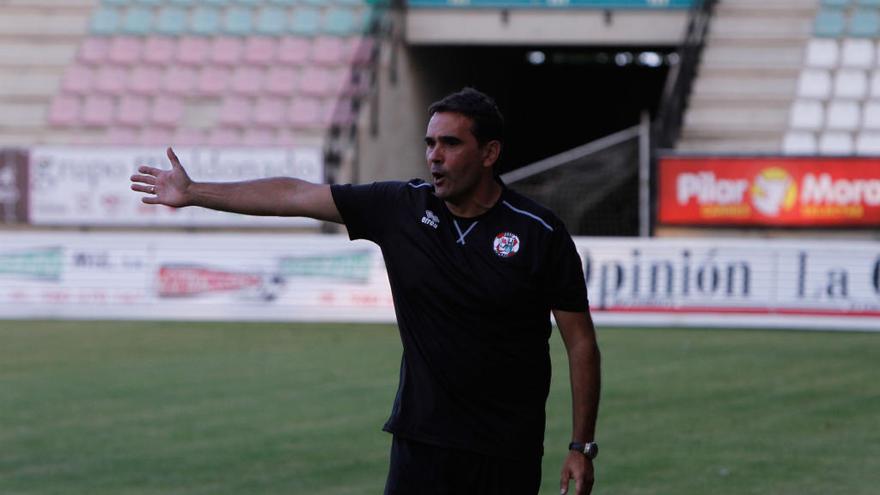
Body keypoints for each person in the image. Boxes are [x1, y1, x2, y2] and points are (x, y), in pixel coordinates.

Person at [130, 88, 601, 495]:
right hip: (421, 443)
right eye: (430, 143)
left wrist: (581, 446)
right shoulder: (400, 207)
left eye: (451, 144)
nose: (434, 155)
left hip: (505, 452)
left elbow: (580, 343)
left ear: (490, 153)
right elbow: (295, 195)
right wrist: (195, 193)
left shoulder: (539, 233)